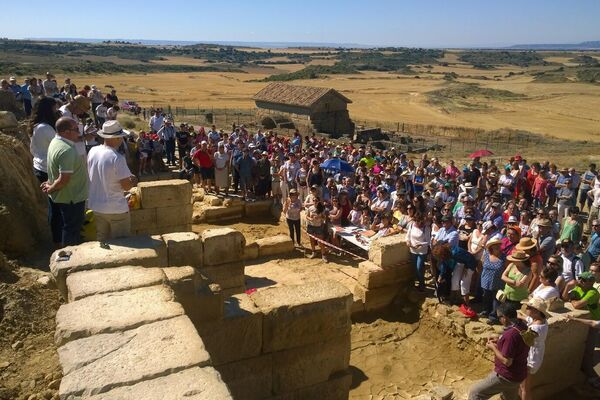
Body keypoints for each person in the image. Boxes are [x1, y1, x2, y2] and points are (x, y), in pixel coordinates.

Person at [41, 117, 88, 248]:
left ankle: (59, 249)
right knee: (71, 229)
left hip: (63, 195)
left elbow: (54, 168)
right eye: (76, 129)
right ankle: (68, 258)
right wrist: (50, 188)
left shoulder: (55, 142)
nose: (79, 132)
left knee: (61, 223)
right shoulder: (67, 150)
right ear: (66, 132)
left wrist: (50, 184)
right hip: (72, 198)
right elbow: (64, 179)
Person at [87, 121, 137, 241]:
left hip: (96, 206)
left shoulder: (93, 151)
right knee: (122, 243)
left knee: (102, 241)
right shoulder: (117, 158)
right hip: (116, 208)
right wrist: (133, 181)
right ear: (117, 138)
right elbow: (126, 186)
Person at [468, 303, 530, 400]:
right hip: (519, 374)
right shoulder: (522, 326)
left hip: (506, 376)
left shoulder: (510, 335)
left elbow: (507, 361)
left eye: (499, 317)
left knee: (476, 393)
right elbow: (516, 347)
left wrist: (493, 347)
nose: (499, 320)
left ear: (505, 317)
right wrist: (500, 340)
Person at [518, 297, 550, 400]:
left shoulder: (535, 329)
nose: (526, 308)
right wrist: (521, 316)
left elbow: (524, 341)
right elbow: (530, 319)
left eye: (528, 307)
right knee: (524, 386)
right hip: (536, 354)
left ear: (536, 311)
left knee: (524, 388)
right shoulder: (542, 321)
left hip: (531, 359)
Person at [29, 96, 59, 183]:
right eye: (54, 108)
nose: (56, 110)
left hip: (40, 165)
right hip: (47, 168)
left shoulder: (37, 125)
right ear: (48, 109)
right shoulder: (45, 128)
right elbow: (60, 145)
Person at [480, 238, 505, 322]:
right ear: (491, 247)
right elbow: (482, 263)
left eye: (499, 245)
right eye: (495, 246)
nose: (498, 247)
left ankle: (493, 317)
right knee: (486, 297)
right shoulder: (487, 254)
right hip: (486, 280)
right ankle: (485, 311)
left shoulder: (504, 257)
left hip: (498, 282)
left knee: (496, 300)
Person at [406, 212, 431, 291]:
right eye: (417, 221)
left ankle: (422, 284)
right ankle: (416, 282)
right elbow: (408, 236)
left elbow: (428, 241)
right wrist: (408, 242)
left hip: (422, 251)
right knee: (414, 267)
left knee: (419, 267)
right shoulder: (411, 225)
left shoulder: (426, 228)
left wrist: (420, 244)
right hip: (413, 249)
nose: (418, 223)